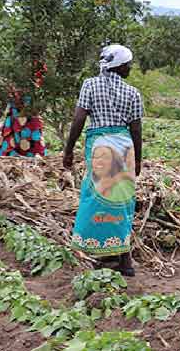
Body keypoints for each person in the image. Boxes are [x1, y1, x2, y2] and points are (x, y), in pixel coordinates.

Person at [63, 45, 144, 276]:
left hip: (99, 148)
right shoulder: (132, 93)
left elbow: (79, 119)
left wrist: (68, 150)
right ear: (120, 66)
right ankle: (122, 258)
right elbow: (136, 129)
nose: (130, 68)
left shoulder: (90, 85)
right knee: (122, 200)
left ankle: (107, 251)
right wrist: (138, 160)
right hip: (124, 148)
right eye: (128, 65)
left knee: (99, 198)